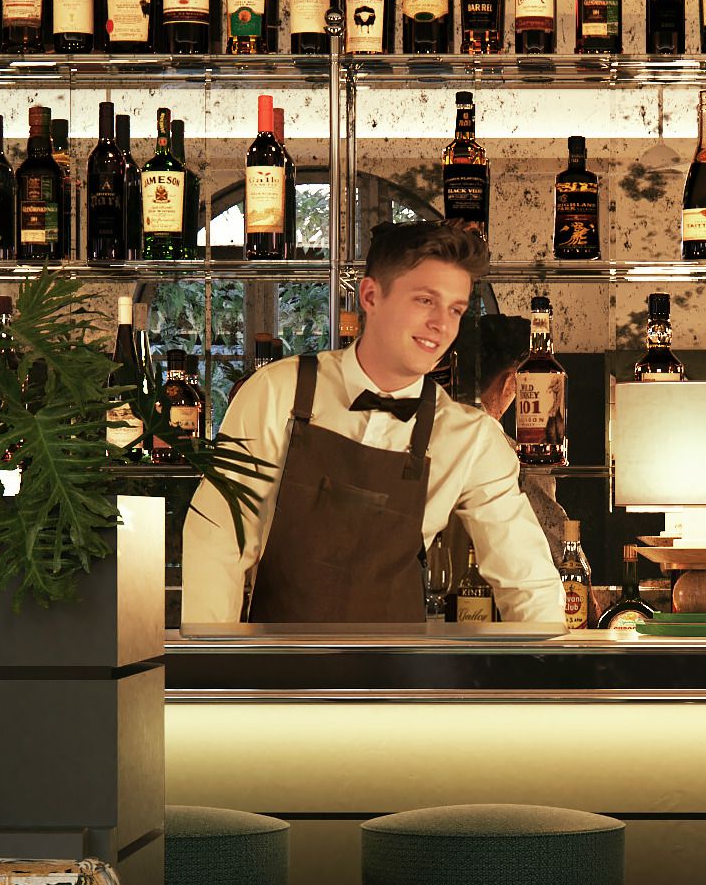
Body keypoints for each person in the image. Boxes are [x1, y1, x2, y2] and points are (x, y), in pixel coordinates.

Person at [181, 221, 569, 629]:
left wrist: (546, 674)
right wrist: (212, 666)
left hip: (398, 680)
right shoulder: (276, 392)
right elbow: (218, 538)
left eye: (455, 309)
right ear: (370, 295)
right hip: (279, 673)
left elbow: (527, 580)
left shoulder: (469, 438)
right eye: (424, 300)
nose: (442, 324)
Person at [435, 311, 581, 614]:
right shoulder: (510, 455)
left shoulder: (428, 435)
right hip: (500, 625)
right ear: (513, 381)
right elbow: (557, 555)